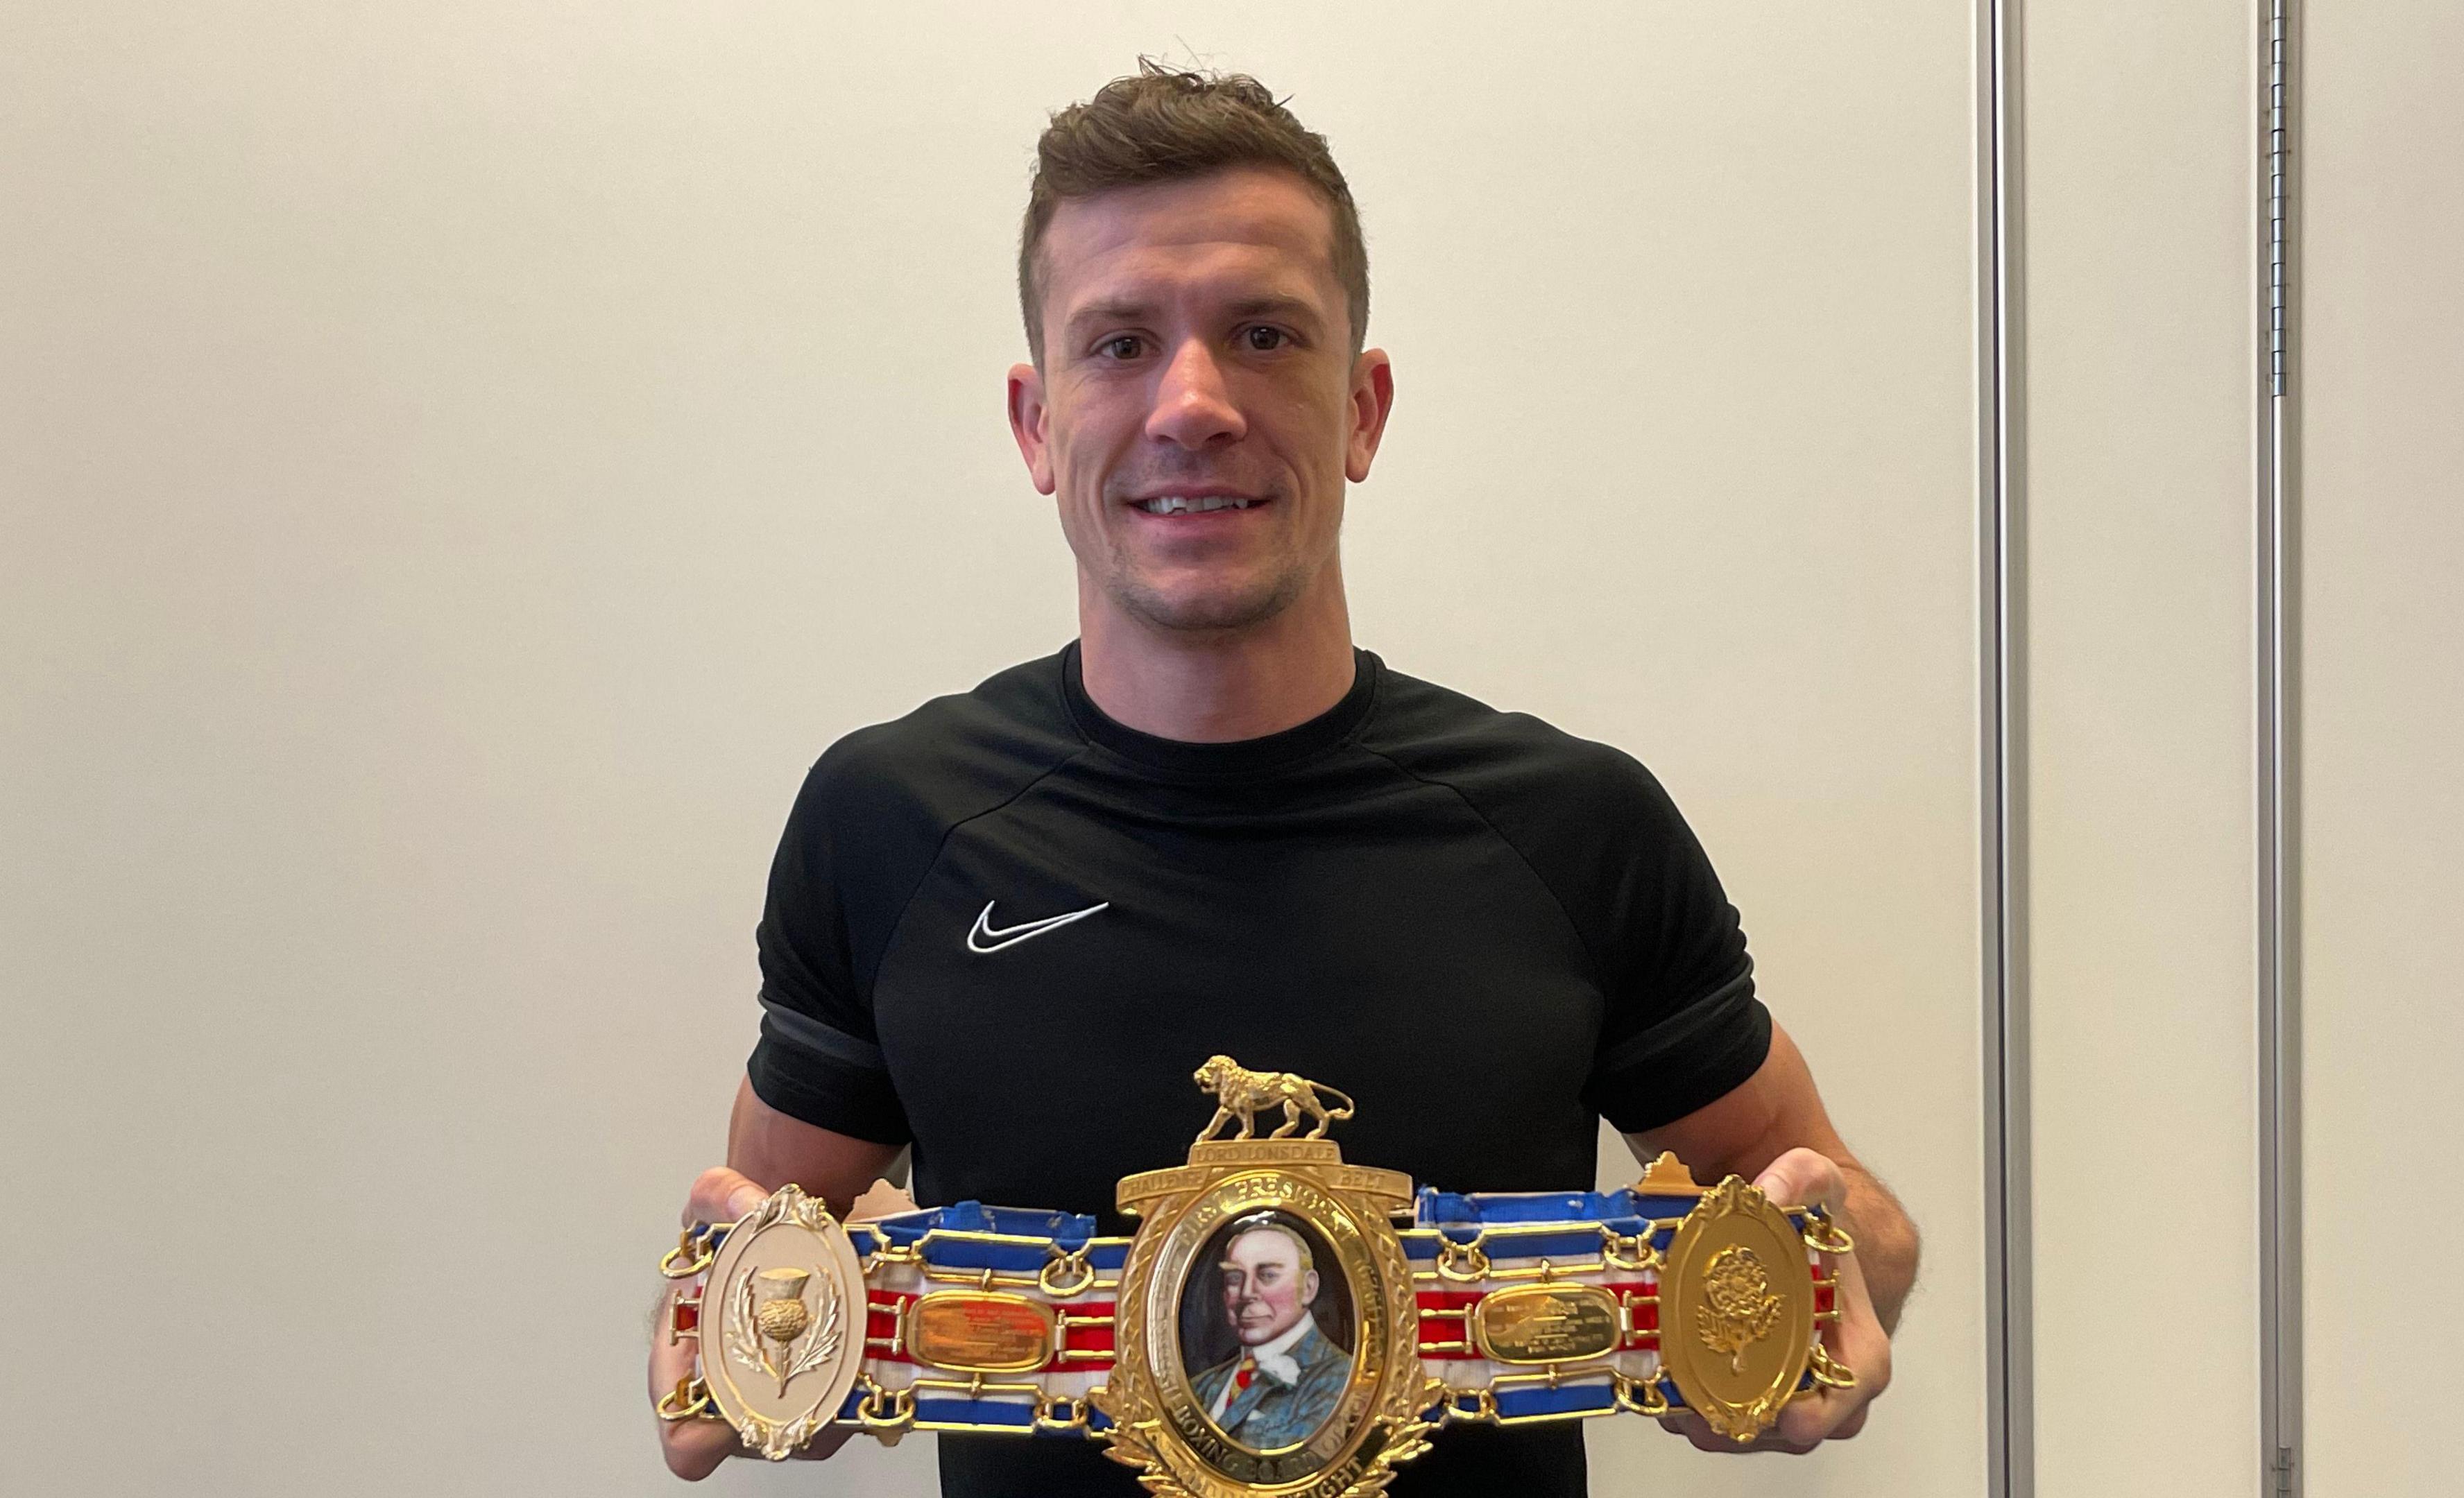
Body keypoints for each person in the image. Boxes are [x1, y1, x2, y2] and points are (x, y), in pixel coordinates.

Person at [651, 61, 1921, 1497]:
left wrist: (1829, 1285)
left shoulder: (1578, 829)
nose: (1194, 403)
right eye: (1119, 343)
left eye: (1264, 335)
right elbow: (757, 1252)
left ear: (1363, 410)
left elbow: (1850, 1221)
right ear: (1035, 423)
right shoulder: (884, 826)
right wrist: (735, 1343)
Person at [1188, 1216, 1353, 1449]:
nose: (1246, 1293)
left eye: (1267, 1276)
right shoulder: (1201, 1388)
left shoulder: (1344, 1381)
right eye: (1234, 1278)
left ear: (1308, 1288)